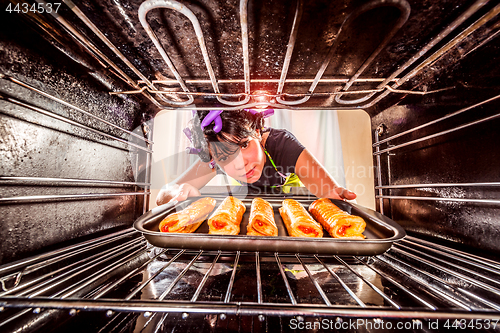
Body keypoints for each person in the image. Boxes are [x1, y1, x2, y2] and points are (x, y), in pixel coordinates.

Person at [156, 109, 357, 205]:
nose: (241, 164)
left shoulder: (283, 145)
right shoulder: (214, 156)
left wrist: (337, 193)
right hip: (245, 209)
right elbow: (162, 195)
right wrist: (178, 192)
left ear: (258, 132)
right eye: (226, 157)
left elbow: (329, 191)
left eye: (244, 145)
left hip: (286, 207)